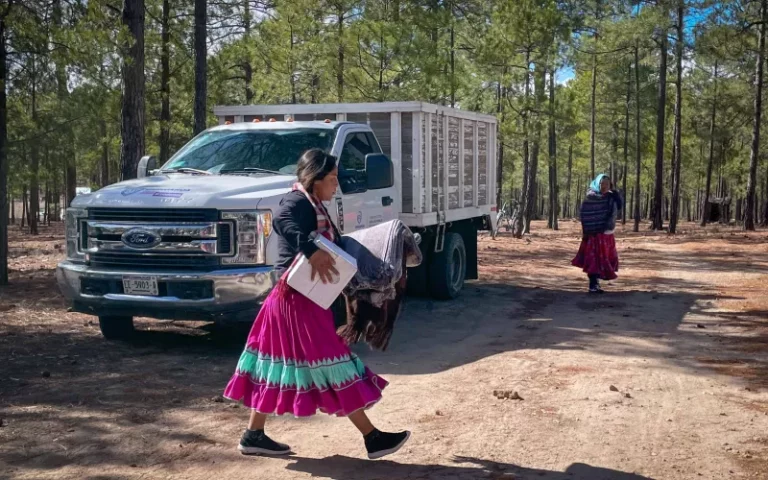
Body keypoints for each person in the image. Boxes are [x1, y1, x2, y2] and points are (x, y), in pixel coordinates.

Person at [223, 148, 411, 460]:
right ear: (315, 179)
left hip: (294, 298)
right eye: (333, 178)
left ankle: (253, 434)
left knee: (276, 363)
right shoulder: (296, 201)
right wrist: (311, 249)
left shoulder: (314, 205)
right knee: (332, 360)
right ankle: (373, 437)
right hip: (296, 299)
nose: (337, 185)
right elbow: (282, 221)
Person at [572, 174, 622, 293]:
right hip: (593, 235)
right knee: (593, 259)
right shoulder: (590, 198)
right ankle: (593, 285)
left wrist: (617, 197)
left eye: (607, 184)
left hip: (606, 234)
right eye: (602, 184)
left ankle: (596, 284)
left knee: (604, 259)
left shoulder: (611, 197)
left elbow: (618, 209)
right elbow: (585, 215)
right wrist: (588, 230)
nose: (605, 186)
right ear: (597, 184)